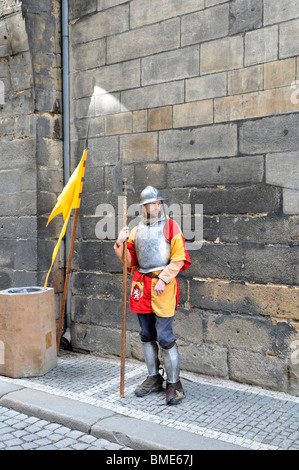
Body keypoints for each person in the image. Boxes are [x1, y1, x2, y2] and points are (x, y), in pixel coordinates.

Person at [114, 186, 191, 405]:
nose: (156, 207)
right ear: (144, 207)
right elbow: (129, 264)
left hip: (162, 287)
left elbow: (178, 258)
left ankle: (174, 384)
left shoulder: (171, 227)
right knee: (147, 334)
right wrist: (120, 243)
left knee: (164, 335)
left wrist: (164, 279)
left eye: (158, 203)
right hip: (141, 286)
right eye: (152, 203)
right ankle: (154, 377)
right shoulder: (135, 230)